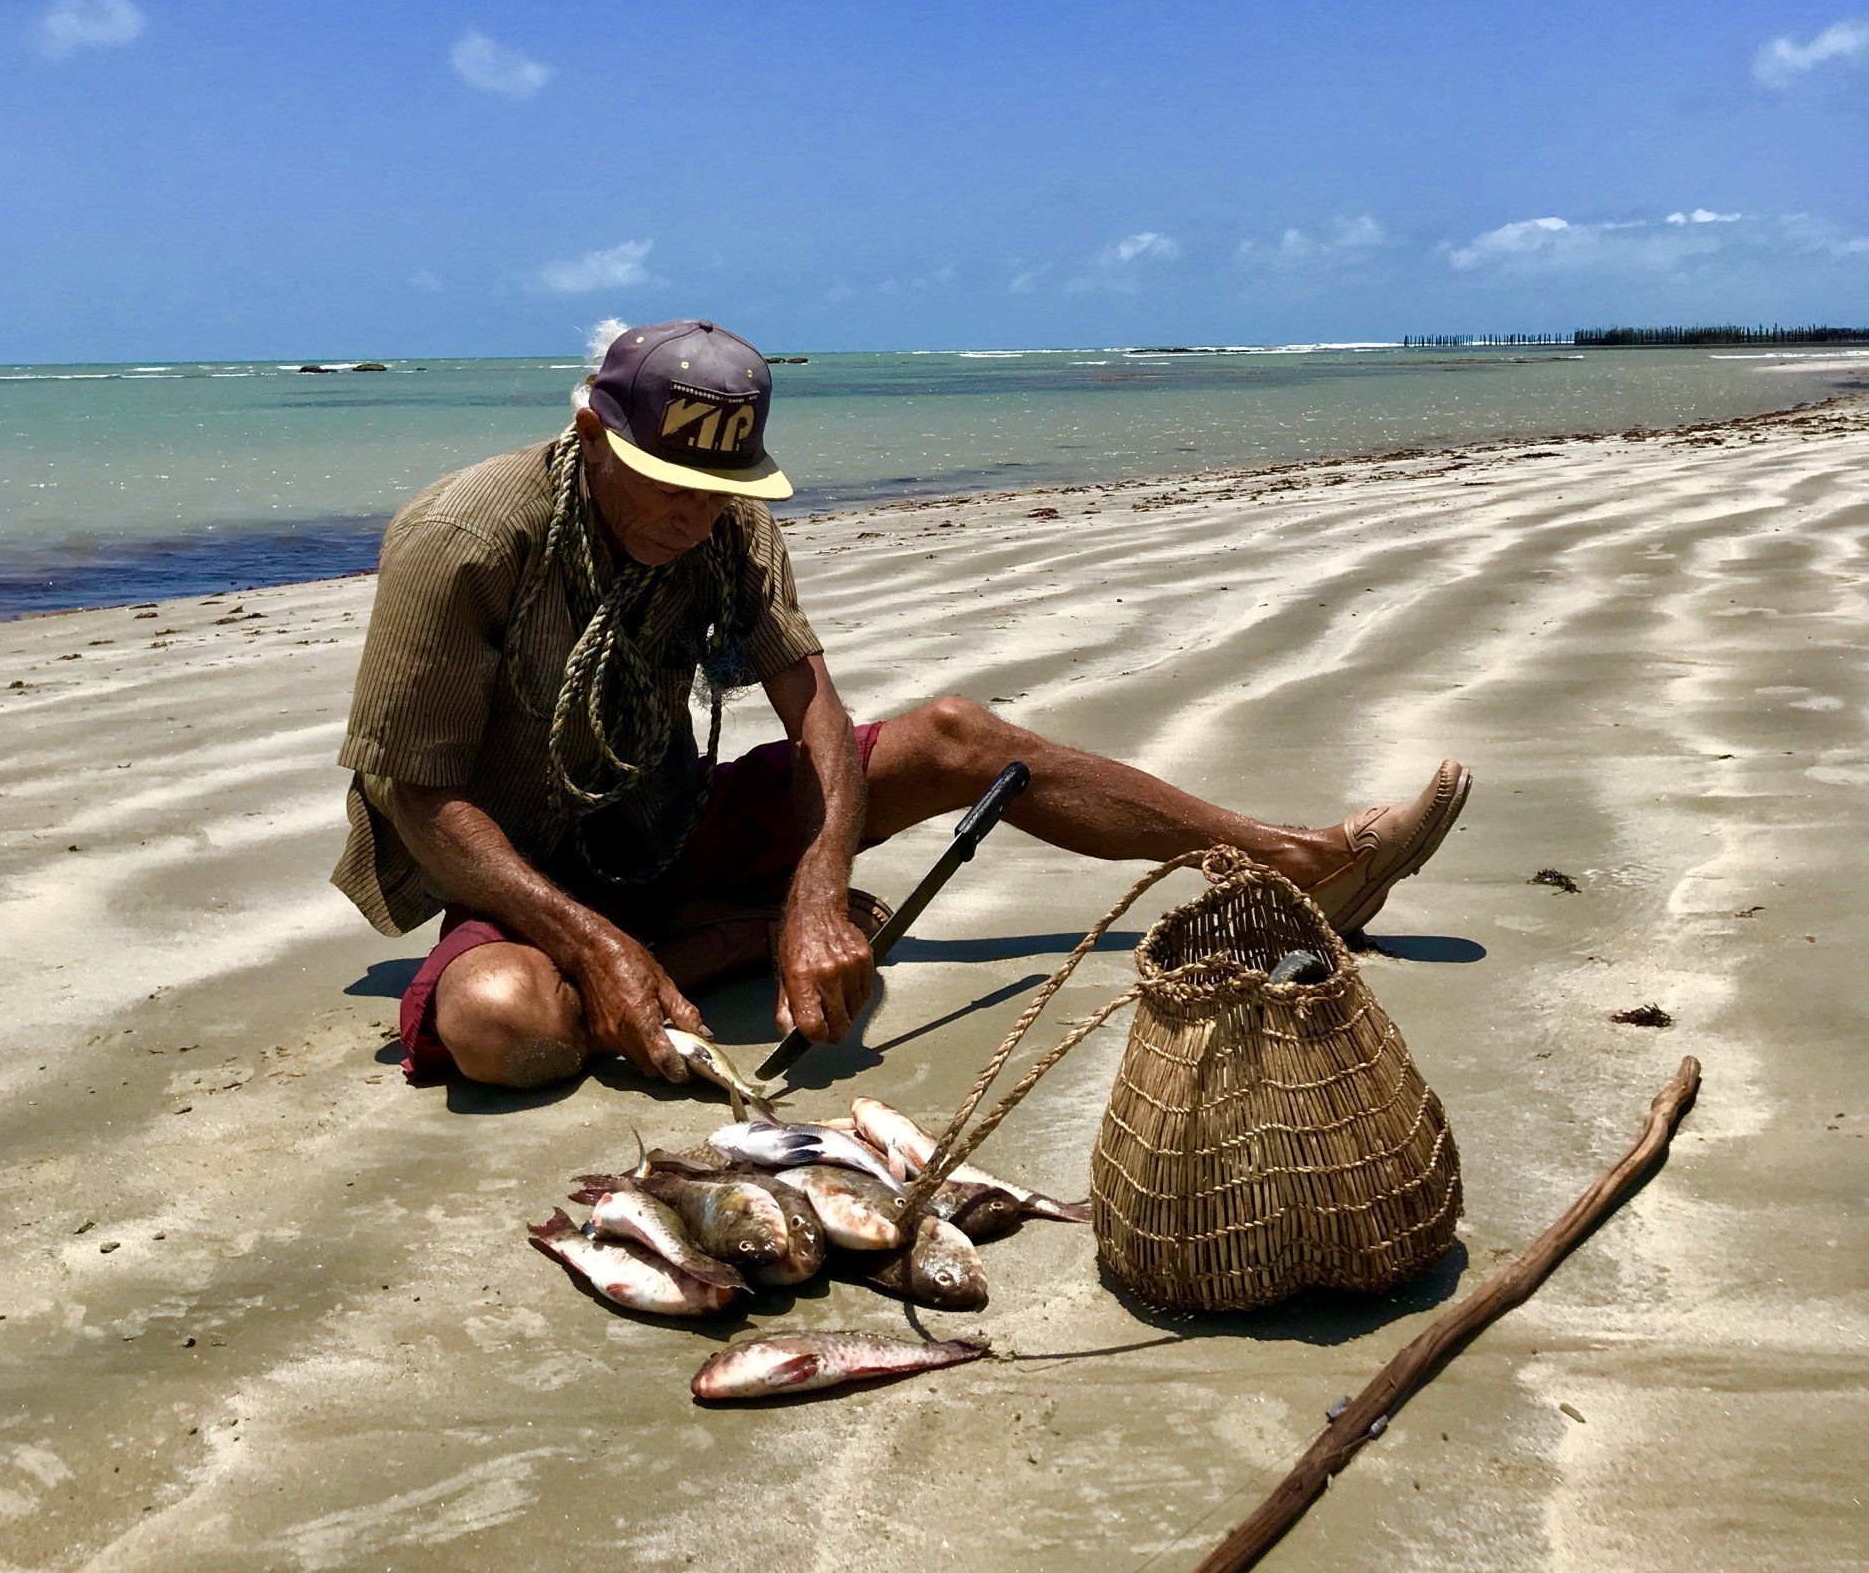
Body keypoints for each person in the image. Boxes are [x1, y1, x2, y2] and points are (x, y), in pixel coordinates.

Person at [333, 320, 1471, 1089]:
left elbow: (815, 708)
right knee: (505, 1024)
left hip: (664, 822)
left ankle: (1305, 862)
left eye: (722, 489)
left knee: (960, 736)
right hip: (519, 867)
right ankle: (705, 937)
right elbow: (417, 798)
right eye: (673, 485)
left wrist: (818, 891)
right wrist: (592, 940)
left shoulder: (725, 521)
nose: (698, 515)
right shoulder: (466, 539)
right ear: (592, 434)